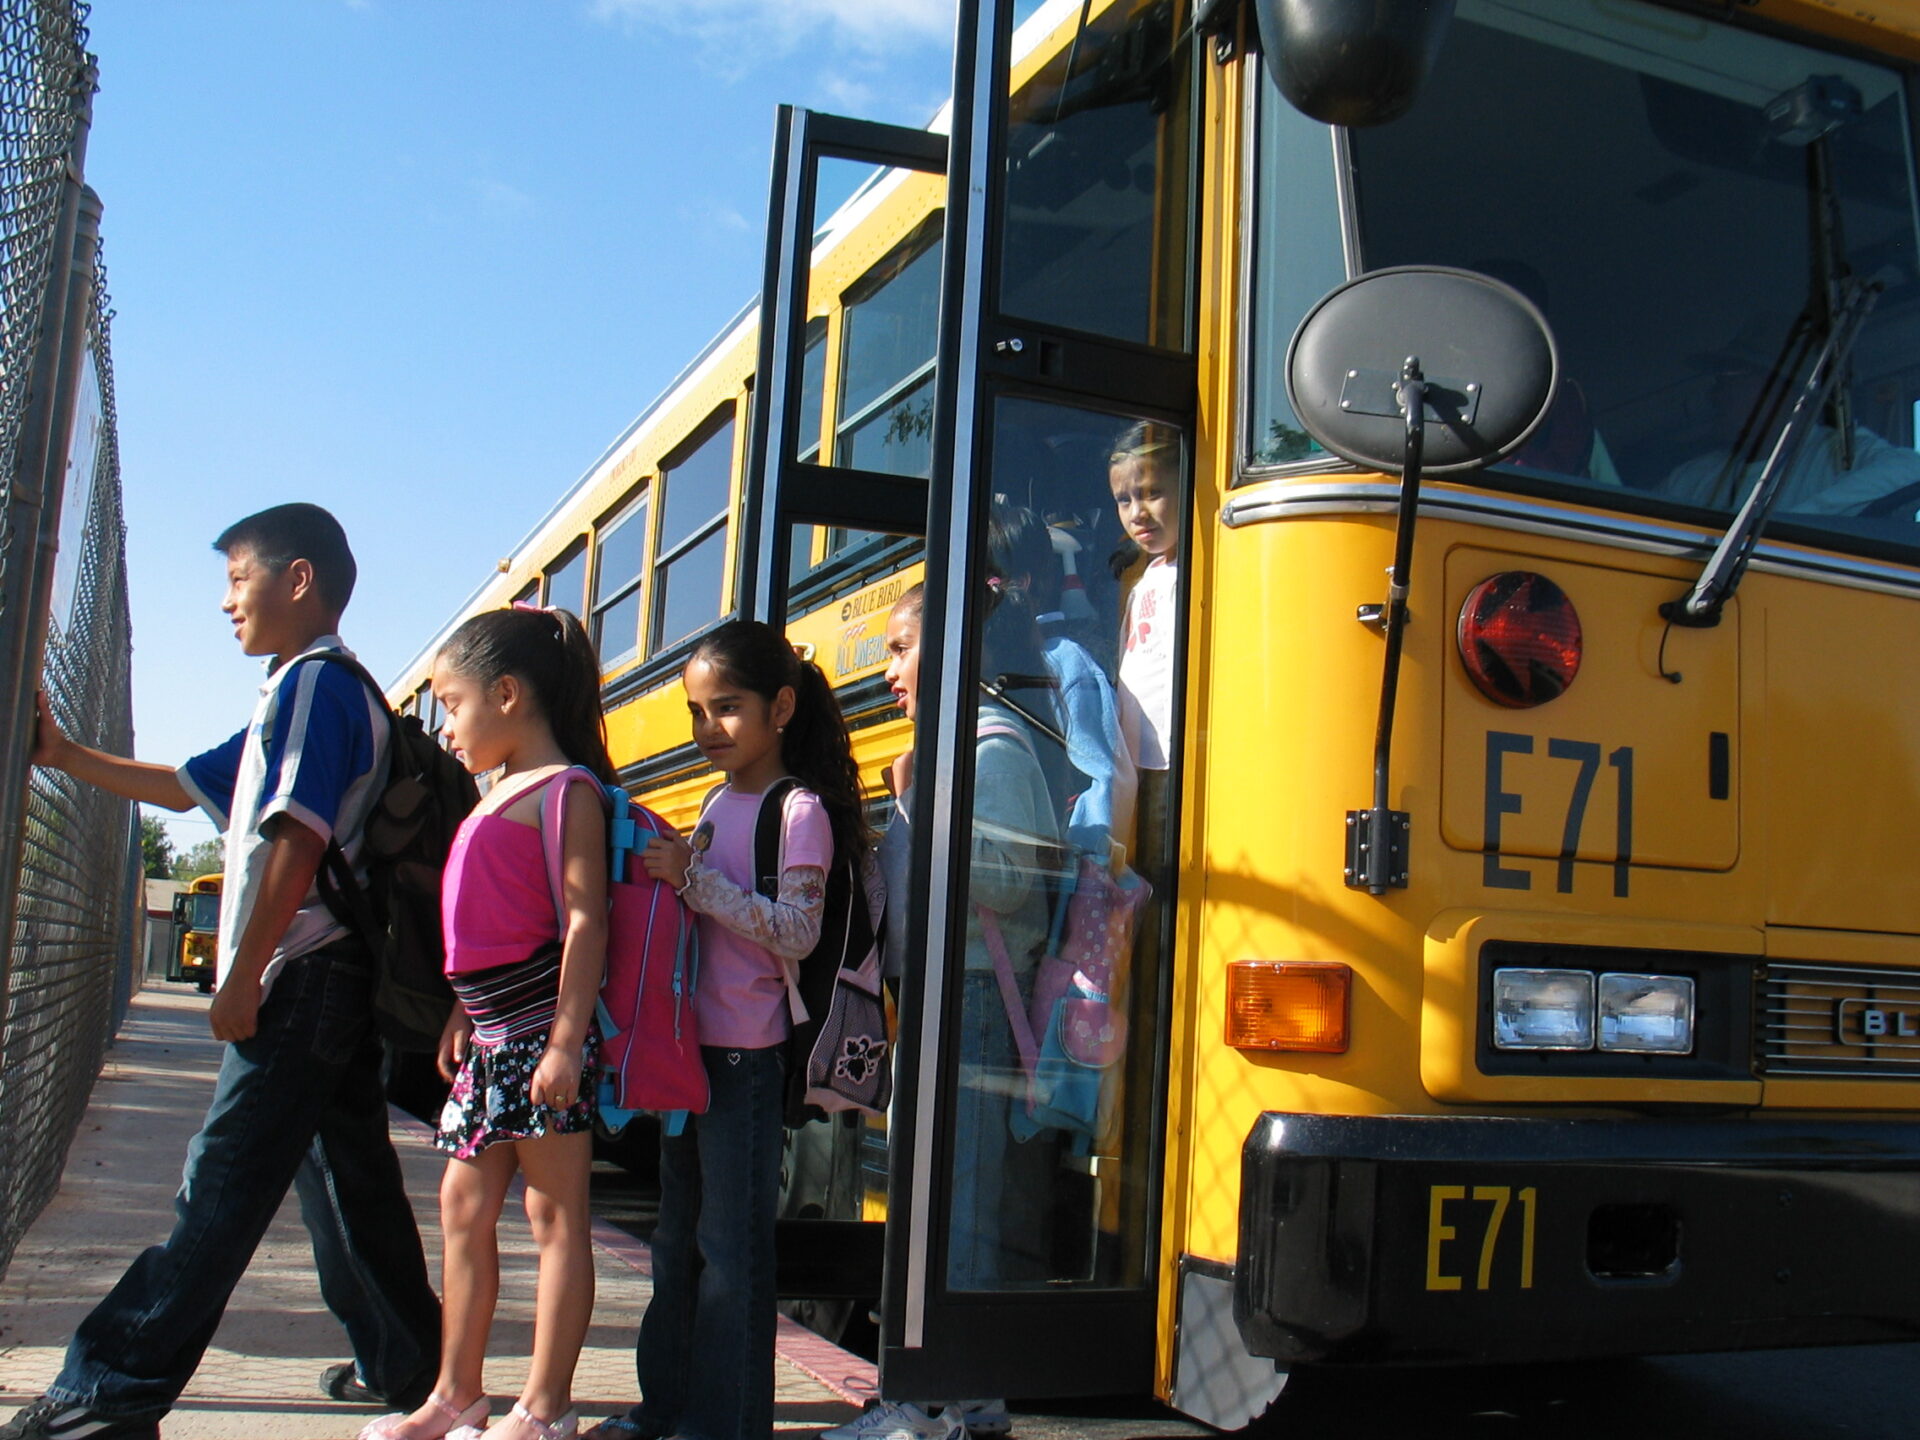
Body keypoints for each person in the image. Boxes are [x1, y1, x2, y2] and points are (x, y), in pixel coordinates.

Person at [4, 504, 441, 1440]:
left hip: (303, 977)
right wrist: (65, 755)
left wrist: (241, 974)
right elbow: (187, 788)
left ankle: (109, 1392)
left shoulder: (318, 690)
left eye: (238, 579)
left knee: (223, 1181)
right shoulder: (299, 690)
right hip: (333, 977)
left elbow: (296, 837)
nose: (224, 603)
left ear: (298, 581)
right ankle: (409, 1367)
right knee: (347, 1185)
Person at [585, 620, 869, 1440]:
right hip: (686, 1049)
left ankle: (726, 1423)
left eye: (728, 709)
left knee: (730, 1249)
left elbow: (797, 931)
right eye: (698, 713)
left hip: (746, 1054)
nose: (710, 729)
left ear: (781, 707)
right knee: (677, 1242)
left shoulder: (799, 810)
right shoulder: (716, 800)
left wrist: (695, 880)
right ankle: (665, 1408)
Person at [363, 605, 615, 1440]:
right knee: (462, 1209)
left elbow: (584, 923)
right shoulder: (492, 793)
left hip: (542, 1035)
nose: (446, 724)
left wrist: (568, 1042)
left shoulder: (567, 791)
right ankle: (455, 1393)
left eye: (453, 701)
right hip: (490, 1036)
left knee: (555, 1216)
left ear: (506, 695)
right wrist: (461, 1017)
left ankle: (545, 1407)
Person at [820, 578, 1058, 1440]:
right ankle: (941, 1393)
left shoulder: (991, 750)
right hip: (933, 1000)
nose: (888, 670)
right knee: (933, 1201)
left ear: (954, 652)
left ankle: (949, 1398)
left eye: (899, 648)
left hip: (973, 1002)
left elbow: (1006, 880)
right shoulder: (952, 747)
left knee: (960, 1202)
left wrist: (919, 798)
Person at [1664, 323, 1920, 515]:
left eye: (1733, 376)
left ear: (1789, 391)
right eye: (1718, 380)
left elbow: (1911, 469)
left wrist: (1791, 527)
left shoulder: (1838, 452)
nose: (1716, 394)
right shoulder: (1689, 480)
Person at [1110, 421, 1181, 878]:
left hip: (1171, 755)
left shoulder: (1192, 571)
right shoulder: (1146, 577)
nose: (1137, 512)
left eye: (1152, 492)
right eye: (1124, 499)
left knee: (1159, 871)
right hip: (1137, 757)